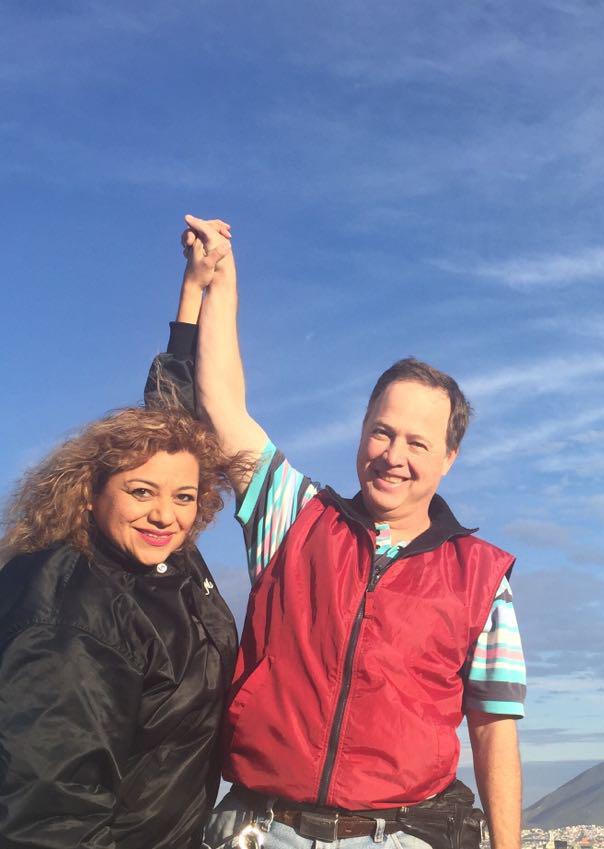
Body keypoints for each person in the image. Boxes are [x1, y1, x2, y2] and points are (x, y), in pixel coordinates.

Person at [179, 216, 526, 849]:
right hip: (263, 828)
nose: (393, 455)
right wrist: (220, 283)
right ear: (361, 430)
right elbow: (222, 408)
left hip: (399, 835)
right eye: (382, 432)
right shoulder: (293, 515)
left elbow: (493, 726)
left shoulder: (482, 577)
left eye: (417, 443)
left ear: (449, 458)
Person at [0, 232, 244, 849]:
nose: (165, 515)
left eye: (184, 497)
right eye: (141, 492)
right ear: (90, 492)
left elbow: (172, 416)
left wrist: (196, 289)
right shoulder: (69, 619)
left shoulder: (156, 559)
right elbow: (48, 817)